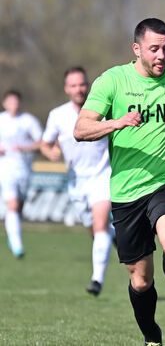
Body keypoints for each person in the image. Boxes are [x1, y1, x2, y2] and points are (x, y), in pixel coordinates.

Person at [74, 18, 165, 346]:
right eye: (154, 49)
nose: (161, 55)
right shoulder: (112, 81)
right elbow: (81, 129)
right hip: (126, 192)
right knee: (140, 282)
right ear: (136, 49)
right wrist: (116, 123)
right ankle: (153, 337)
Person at [40, 66, 114, 296]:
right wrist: (49, 152)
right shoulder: (57, 115)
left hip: (103, 175)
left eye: (82, 84)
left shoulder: (103, 109)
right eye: (73, 85)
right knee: (95, 230)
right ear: (66, 89)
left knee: (100, 224)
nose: (78, 89)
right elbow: (45, 143)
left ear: (88, 85)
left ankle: (96, 280)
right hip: (76, 182)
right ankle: (113, 236)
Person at [0, 90, 42, 259]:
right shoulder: (1, 120)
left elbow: (41, 142)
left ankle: (13, 236)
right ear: (5, 103)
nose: (14, 105)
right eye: (10, 101)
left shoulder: (28, 121)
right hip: (5, 168)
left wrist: (25, 148)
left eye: (16, 101)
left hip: (24, 169)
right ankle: (17, 245)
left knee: (19, 207)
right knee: (12, 204)